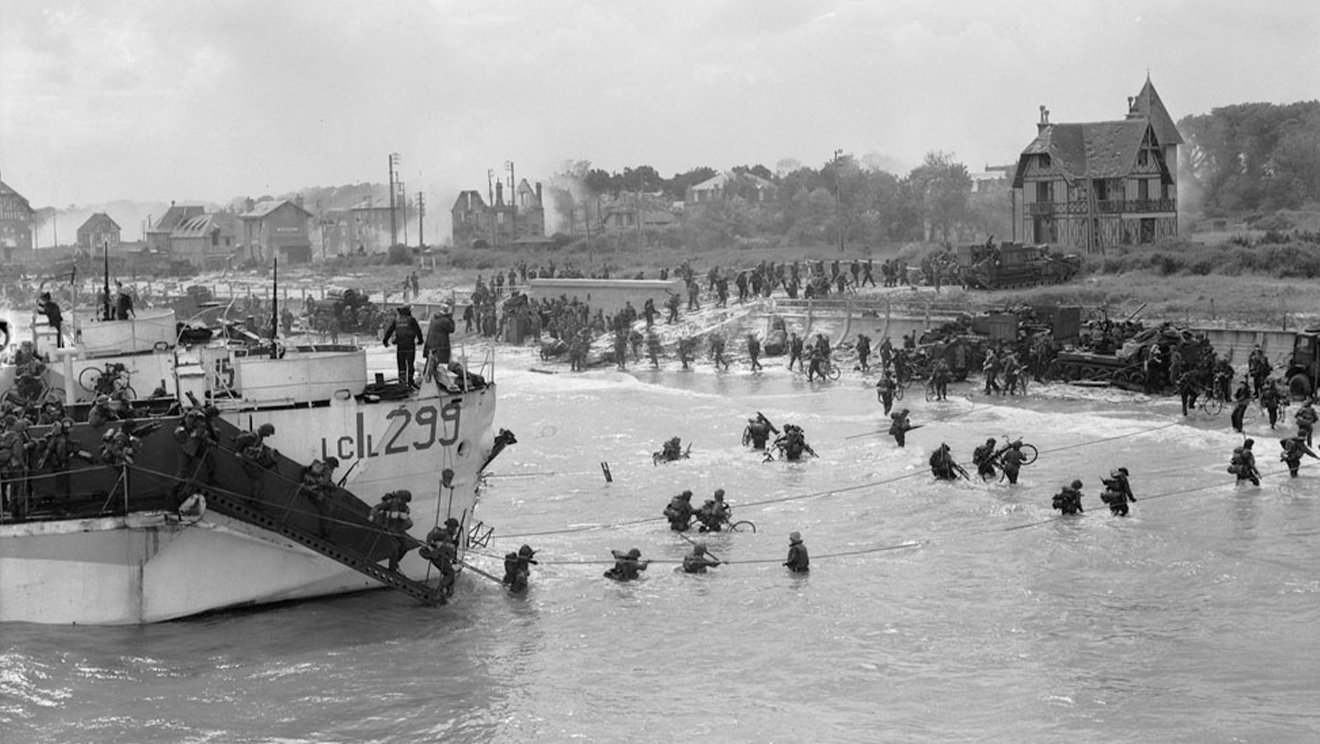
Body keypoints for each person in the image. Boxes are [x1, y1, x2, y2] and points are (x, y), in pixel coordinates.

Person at [370, 490, 415, 571]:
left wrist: (404, 515)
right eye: (402, 500)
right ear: (399, 498)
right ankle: (393, 568)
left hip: (397, 530)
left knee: (406, 545)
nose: (403, 502)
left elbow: (407, 512)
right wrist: (372, 515)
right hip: (386, 529)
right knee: (394, 548)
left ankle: (396, 563)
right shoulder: (390, 503)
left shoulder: (404, 507)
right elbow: (377, 507)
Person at [382, 306, 424, 389]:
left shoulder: (397, 320)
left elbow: (390, 330)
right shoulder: (411, 320)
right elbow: (418, 330)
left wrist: (385, 341)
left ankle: (402, 382)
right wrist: (420, 340)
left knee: (401, 364)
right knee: (410, 363)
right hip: (410, 344)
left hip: (400, 345)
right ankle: (410, 382)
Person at [423, 305, 456, 387]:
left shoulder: (434, 318)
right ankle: (433, 383)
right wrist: (450, 318)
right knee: (437, 364)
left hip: (431, 344)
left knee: (430, 363)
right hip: (441, 345)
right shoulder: (445, 320)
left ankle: (427, 379)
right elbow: (452, 329)